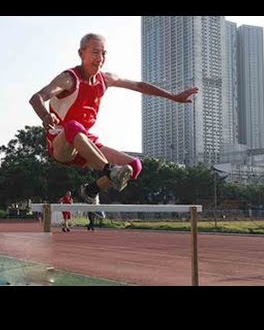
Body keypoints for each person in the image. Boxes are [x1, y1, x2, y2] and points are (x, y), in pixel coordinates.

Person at [29, 33, 198, 205]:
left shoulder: (106, 79)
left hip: (85, 142)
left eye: (103, 53)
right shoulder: (69, 79)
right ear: (81, 54)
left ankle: (91, 189)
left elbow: (139, 86)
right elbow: (37, 97)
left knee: (134, 166)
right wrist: (45, 115)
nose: (100, 58)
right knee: (73, 126)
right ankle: (110, 171)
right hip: (62, 143)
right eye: (95, 53)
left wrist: (174, 97)